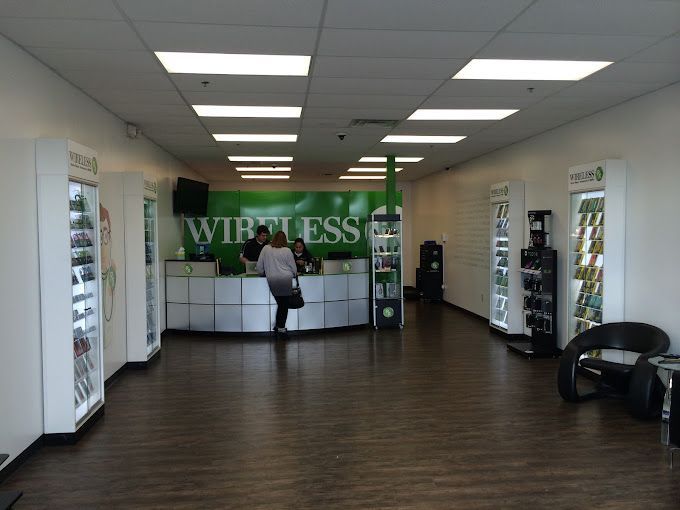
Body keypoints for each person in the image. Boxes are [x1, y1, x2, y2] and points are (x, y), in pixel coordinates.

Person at [256, 231, 298, 338]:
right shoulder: (287, 250)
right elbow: (294, 268)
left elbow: (259, 266)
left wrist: (262, 274)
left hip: (272, 280)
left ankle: (278, 327)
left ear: (273, 238)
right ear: (285, 240)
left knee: (281, 304)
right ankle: (281, 330)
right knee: (284, 306)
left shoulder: (266, 248)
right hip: (285, 280)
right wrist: (294, 274)